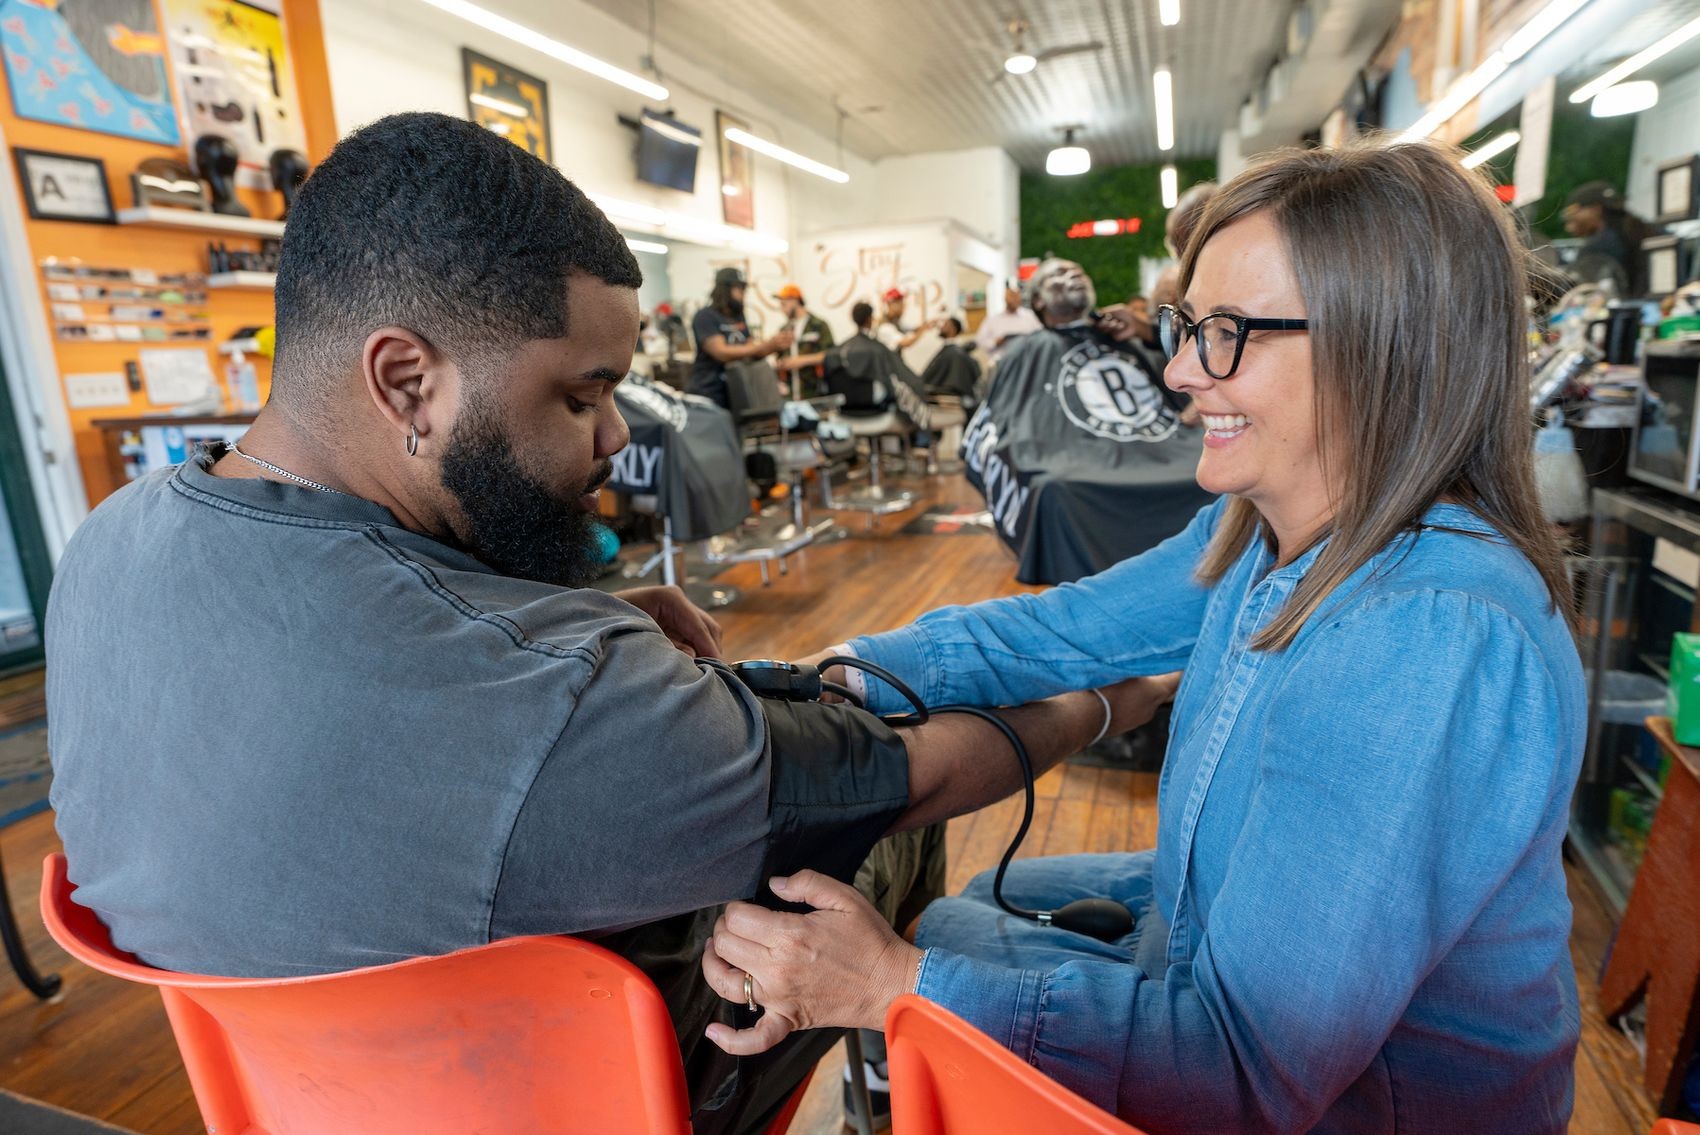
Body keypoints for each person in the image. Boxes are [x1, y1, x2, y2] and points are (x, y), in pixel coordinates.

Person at [44, 112, 1179, 1135]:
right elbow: (906, 773)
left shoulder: (107, 544)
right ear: (406, 382)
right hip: (575, 1092)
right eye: (580, 395)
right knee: (874, 839)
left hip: (295, 1094)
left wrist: (551, 621)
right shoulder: (557, 697)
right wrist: (1109, 701)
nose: (613, 438)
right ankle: (886, 1084)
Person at [701, 139, 1585, 1134]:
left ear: (1384, 347)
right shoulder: (1258, 530)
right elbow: (1062, 627)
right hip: (1205, 956)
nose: (1177, 370)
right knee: (955, 915)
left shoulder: (1424, 636)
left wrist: (894, 983)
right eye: (1185, 326)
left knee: (932, 954)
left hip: (1361, 1110)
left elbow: (1245, 1070)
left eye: (1225, 333)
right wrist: (827, 673)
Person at [688, 266, 793, 408]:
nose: (743, 293)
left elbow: (751, 349)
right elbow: (721, 352)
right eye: (738, 288)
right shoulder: (706, 316)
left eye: (744, 289)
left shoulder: (738, 317)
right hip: (710, 391)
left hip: (736, 390)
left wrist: (773, 346)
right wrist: (762, 347)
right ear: (724, 289)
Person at [1563, 181, 1652, 297]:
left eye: (1574, 213)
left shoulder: (1596, 246)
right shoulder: (1647, 230)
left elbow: (1576, 292)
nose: (1569, 225)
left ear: (1596, 209)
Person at [771, 282, 833, 396]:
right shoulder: (783, 330)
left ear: (794, 301)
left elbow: (829, 354)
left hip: (814, 392)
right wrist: (781, 364)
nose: (782, 309)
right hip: (790, 394)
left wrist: (801, 361)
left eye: (784, 304)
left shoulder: (818, 325)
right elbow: (778, 358)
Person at [974, 280, 1042, 363]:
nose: (1014, 299)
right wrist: (995, 342)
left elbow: (1042, 336)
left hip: (1027, 361)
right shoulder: (993, 320)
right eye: (1011, 296)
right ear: (1005, 298)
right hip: (1001, 361)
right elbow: (979, 340)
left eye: (1016, 296)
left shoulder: (1030, 316)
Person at [875, 287, 937, 358]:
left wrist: (925, 325)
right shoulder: (885, 327)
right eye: (900, 304)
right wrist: (923, 330)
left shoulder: (896, 322)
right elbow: (906, 343)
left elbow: (911, 329)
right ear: (890, 304)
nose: (903, 308)